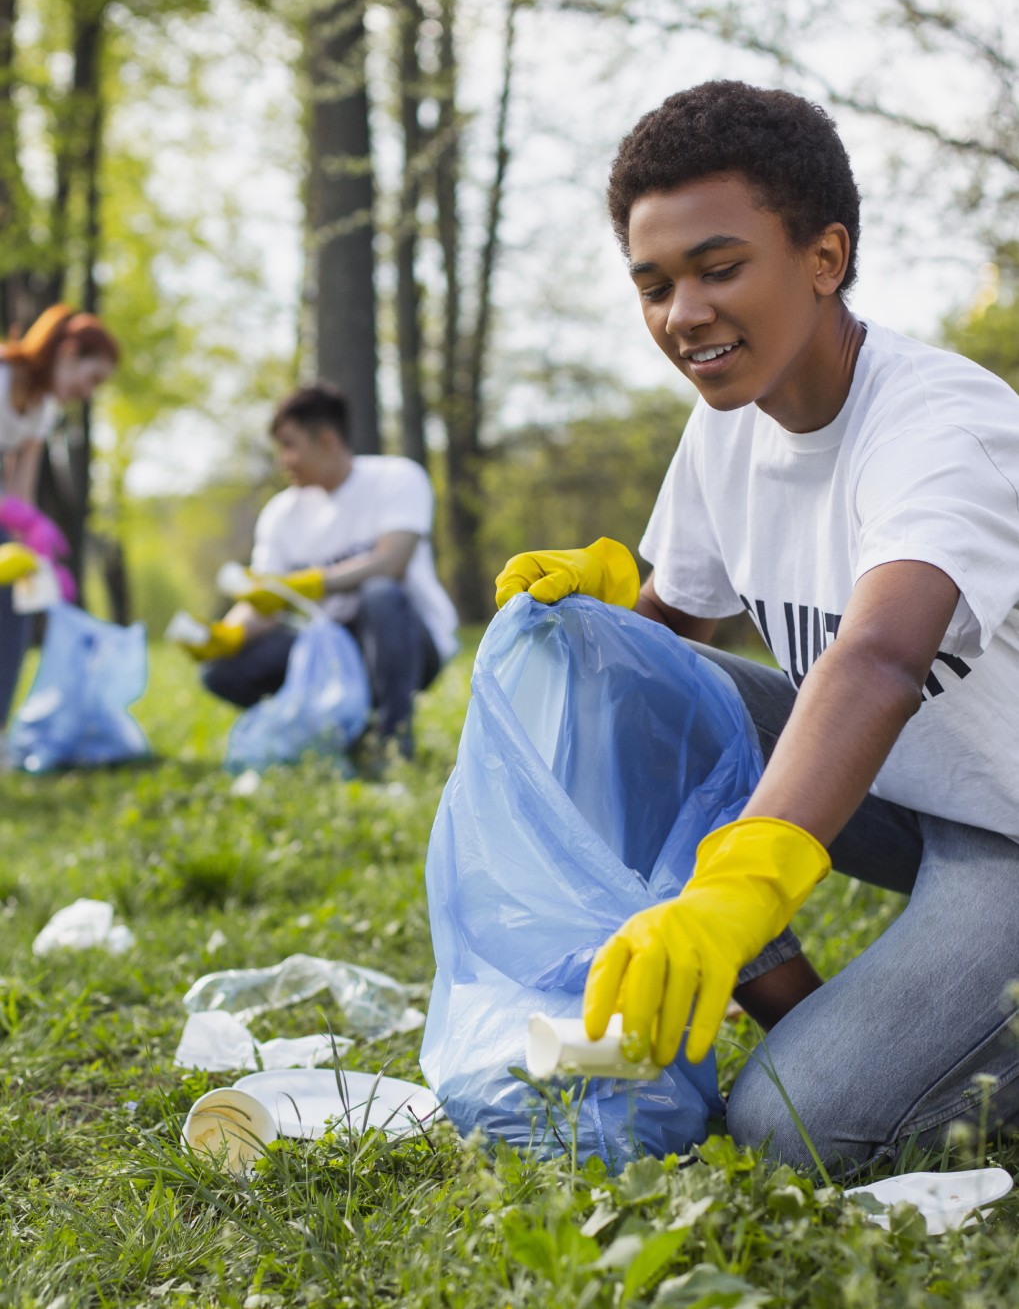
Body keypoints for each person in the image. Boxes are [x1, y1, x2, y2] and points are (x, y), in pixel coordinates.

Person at [495, 79, 1019, 1175]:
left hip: (1005, 827)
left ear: (822, 258)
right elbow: (656, 659)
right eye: (653, 284)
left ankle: (889, 1052)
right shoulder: (726, 427)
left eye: (717, 268)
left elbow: (876, 658)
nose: (681, 313)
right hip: (901, 793)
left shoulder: (940, 426)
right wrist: (597, 612)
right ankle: (803, 1014)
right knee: (602, 672)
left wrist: (736, 886)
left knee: (789, 1128)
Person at [193, 382, 459, 757]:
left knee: (380, 592)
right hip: (327, 649)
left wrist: (312, 584)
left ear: (328, 440)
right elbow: (267, 600)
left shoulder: (397, 479)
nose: (283, 459)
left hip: (404, 640)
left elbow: (392, 563)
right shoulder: (281, 514)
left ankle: (393, 740)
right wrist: (228, 634)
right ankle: (325, 734)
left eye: (290, 445)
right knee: (220, 671)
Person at [0, 304, 119, 726]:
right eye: (93, 378)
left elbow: (20, 493)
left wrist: (39, 558)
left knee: (16, 598)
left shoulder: (42, 410)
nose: (88, 392)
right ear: (68, 353)